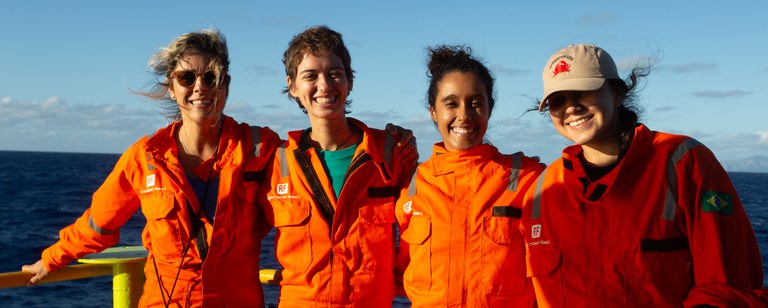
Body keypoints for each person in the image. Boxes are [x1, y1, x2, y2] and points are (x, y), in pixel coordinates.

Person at [21, 29, 280, 307]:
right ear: (172, 87)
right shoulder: (146, 157)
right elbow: (99, 222)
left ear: (225, 86)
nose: (200, 87)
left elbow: (302, 218)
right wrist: (52, 258)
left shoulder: (260, 149)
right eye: (187, 77)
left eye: (211, 77)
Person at [521, 43, 766, 307]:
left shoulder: (683, 162)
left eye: (583, 91)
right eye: (558, 101)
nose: (571, 108)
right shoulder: (544, 190)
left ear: (616, 94)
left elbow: (726, 290)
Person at [257, 25, 417, 307]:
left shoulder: (390, 153)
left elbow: (417, 231)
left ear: (349, 81)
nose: (324, 85)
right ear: (292, 86)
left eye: (334, 74)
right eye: (310, 76)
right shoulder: (276, 162)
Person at [393, 45, 543, 307]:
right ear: (433, 111)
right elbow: (398, 272)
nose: (464, 115)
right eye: (451, 103)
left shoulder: (528, 178)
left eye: (475, 103)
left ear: (490, 108)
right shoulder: (413, 186)